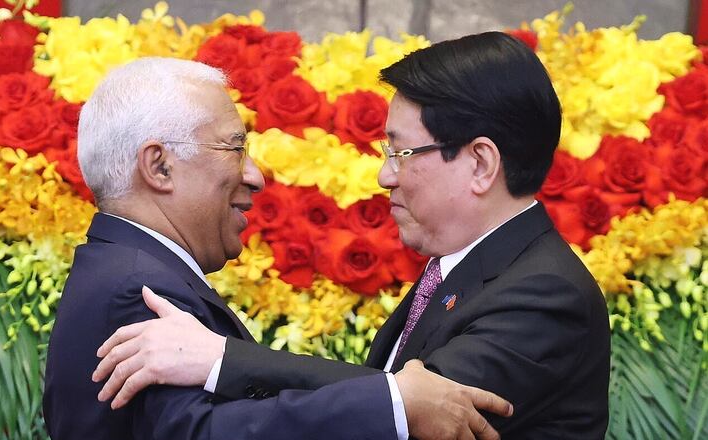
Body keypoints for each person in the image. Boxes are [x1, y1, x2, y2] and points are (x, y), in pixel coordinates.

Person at [92, 32, 612, 439]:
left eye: (401, 153)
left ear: (479, 163)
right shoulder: (461, 269)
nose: (386, 176)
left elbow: (421, 411)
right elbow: (394, 400)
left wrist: (217, 360)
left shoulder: (543, 294)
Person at [42, 56, 513, 440]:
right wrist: (392, 404)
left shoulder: (131, 269)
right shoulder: (135, 289)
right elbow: (203, 433)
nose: (256, 176)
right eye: (234, 149)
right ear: (160, 167)